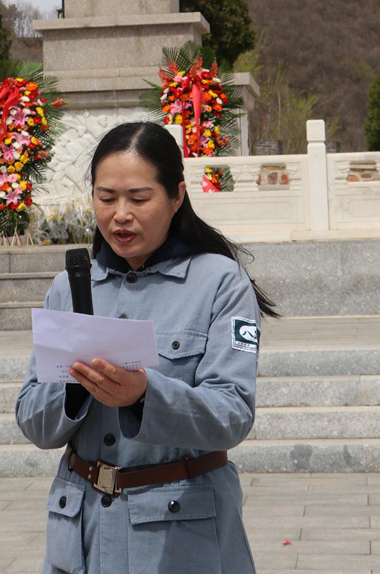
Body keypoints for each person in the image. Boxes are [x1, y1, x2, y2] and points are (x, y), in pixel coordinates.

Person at [15, 121, 278, 574]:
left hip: (179, 537)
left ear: (176, 197)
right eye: (106, 197)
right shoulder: (68, 288)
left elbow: (232, 413)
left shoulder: (219, 283)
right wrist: (75, 391)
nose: (120, 214)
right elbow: (34, 421)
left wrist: (144, 395)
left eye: (139, 199)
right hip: (81, 531)